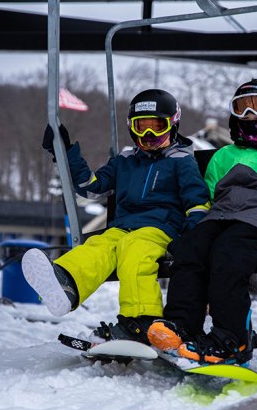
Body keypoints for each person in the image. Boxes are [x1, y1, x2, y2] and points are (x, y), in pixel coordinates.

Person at [147, 79, 257, 365]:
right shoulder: (224, 155)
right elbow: (206, 198)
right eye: (241, 108)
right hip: (221, 216)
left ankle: (232, 338)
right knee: (190, 250)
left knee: (227, 255)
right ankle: (182, 325)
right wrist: (193, 223)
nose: (249, 116)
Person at [21, 89, 210, 344]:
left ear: (173, 125)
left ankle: (141, 322)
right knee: (100, 245)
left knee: (135, 252)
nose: (149, 136)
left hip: (160, 229)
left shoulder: (181, 162)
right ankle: (66, 282)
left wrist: (192, 235)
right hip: (123, 227)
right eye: (141, 127)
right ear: (132, 128)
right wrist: (64, 153)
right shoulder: (125, 160)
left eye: (157, 127)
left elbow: (197, 200)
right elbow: (91, 186)